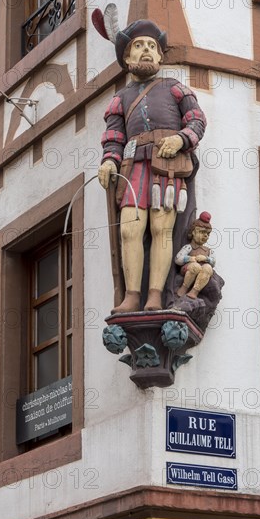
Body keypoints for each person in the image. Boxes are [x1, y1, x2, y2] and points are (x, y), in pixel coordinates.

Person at [97, 19, 207, 313]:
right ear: (127, 58)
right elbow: (114, 135)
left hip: (166, 165)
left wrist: (182, 140)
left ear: (159, 56)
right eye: (138, 46)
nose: (145, 51)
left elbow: (197, 119)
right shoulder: (120, 99)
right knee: (130, 230)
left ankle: (156, 294)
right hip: (133, 166)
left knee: (162, 229)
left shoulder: (174, 88)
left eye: (151, 46)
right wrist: (109, 160)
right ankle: (132, 294)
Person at [175, 212, 216, 299]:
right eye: (202, 232)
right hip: (190, 267)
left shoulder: (208, 251)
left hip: (203, 270)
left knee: (208, 268)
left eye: (208, 234)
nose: (206, 236)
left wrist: (206, 259)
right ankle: (184, 288)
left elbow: (213, 261)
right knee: (195, 267)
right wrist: (190, 258)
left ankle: (194, 291)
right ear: (193, 232)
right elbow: (178, 259)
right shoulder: (188, 247)